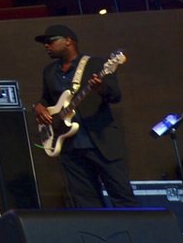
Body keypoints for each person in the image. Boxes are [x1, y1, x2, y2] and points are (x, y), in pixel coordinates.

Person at [31, 23, 135, 207]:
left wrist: (101, 87)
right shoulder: (49, 71)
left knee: (122, 198)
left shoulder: (97, 64)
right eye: (44, 43)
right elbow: (47, 99)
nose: (46, 46)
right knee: (87, 204)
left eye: (50, 41)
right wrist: (38, 106)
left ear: (68, 41)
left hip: (102, 143)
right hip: (70, 147)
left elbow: (115, 96)